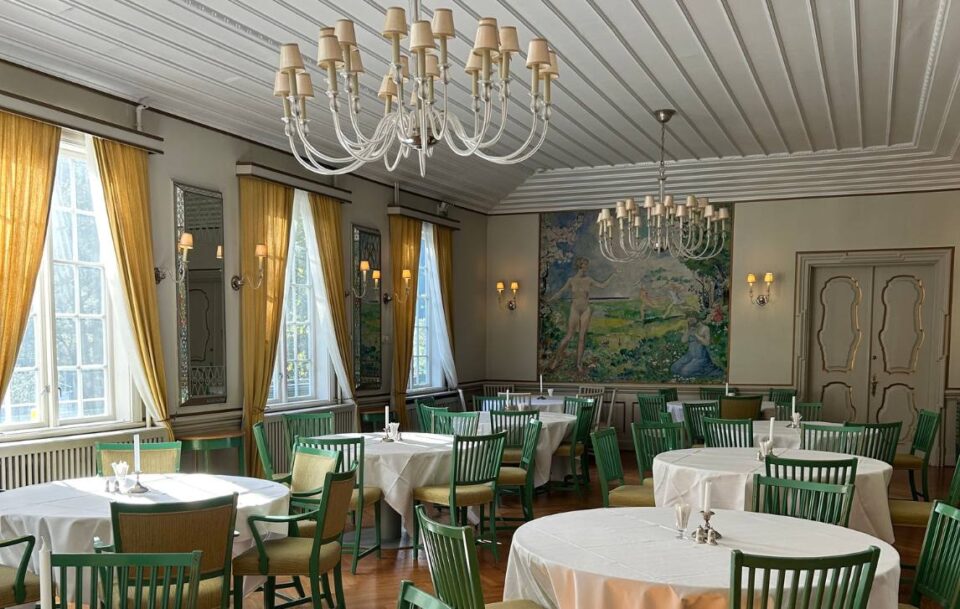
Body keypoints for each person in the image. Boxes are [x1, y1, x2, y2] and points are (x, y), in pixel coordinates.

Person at [547, 257, 614, 373]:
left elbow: (603, 285)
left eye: (587, 264)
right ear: (580, 265)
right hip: (575, 309)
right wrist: (550, 300)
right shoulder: (571, 280)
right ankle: (556, 360)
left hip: (586, 309)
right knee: (569, 336)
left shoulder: (589, 280)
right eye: (585, 264)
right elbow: (561, 292)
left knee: (582, 338)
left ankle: (578, 364)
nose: (587, 267)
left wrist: (613, 275)